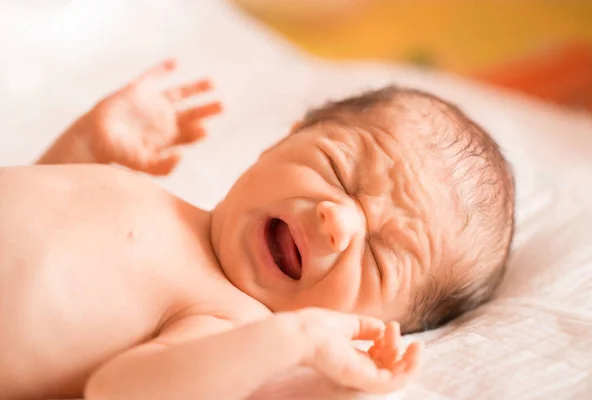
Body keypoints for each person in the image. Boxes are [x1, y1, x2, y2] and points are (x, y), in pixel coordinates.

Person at [0, 59, 514, 400]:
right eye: (337, 170)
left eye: (378, 259)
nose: (337, 221)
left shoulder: (228, 319)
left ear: (376, 324)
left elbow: (118, 390)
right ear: (281, 144)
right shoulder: (166, 204)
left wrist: (296, 338)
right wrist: (85, 149)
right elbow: (36, 223)